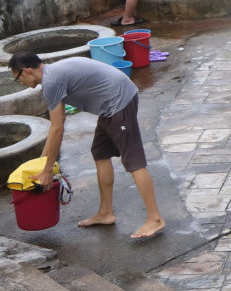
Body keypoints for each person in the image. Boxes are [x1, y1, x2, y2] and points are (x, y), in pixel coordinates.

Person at [10, 51, 165, 240]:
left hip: (119, 102)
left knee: (134, 162)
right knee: (100, 153)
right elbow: (55, 129)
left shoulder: (51, 82)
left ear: (26, 71)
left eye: (17, 79)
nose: (21, 83)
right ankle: (106, 212)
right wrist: (43, 163)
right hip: (110, 105)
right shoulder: (53, 72)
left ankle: (155, 218)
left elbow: (57, 127)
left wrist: (48, 168)